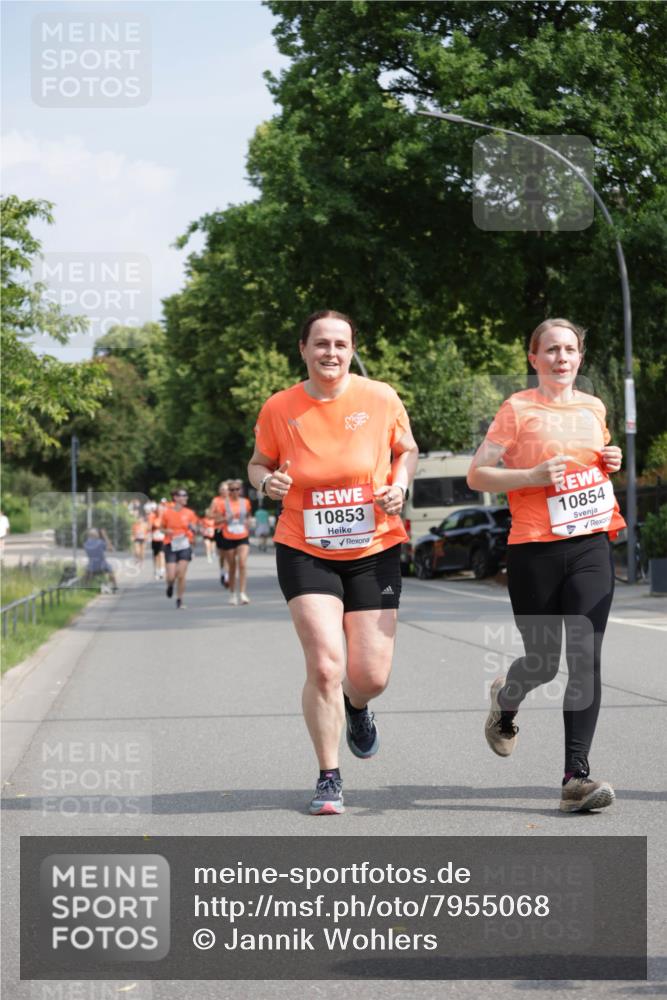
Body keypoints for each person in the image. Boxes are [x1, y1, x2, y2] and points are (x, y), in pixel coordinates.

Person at [248, 309, 418, 815]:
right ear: (303, 348)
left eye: (340, 344)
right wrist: (265, 483)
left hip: (374, 547)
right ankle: (328, 776)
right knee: (325, 664)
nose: (331, 352)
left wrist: (399, 486)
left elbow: (406, 451)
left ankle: (358, 704)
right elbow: (259, 462)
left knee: (370, 676)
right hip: (304, 546)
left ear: (352, 349)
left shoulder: (381, 396)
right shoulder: (280, 407)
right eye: (321, 343)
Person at [467, 318, 625, 813]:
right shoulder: (517, 409)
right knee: (542, 662)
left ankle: (575, 778)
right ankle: (506, 699)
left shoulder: (593, 407)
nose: (561, 358)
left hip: (590, 543)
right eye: (551, 350)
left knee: (586, 656)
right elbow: (477, 475)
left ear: (580, 358)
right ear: (533, 358)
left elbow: (594, 463)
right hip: (534, 547)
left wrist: (611, 459)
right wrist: (530, 474)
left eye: (570, 349)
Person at [157, 488, 199, 609]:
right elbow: (160, 528)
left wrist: (193, 529)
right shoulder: (167, 513)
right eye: (183, 496)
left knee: (181, 574)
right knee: (171, 576)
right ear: (175, 498)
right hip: (170, 545)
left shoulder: (190, 513)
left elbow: (195, 528)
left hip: (185, 545)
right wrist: (167, 531)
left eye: (186, 496)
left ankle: (180, 599)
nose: (185, 498)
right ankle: (170, 585)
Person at [218, 479, 252, 605]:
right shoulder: (223, 503)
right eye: (232, 489)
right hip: (228, 536)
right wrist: (224, 518)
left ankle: (243, 593)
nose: (235, 492)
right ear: (228, 491)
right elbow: (214, 518)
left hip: (243, 535)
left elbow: (248, 515)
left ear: (240, 490)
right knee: (232, 567)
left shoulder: (246, 502)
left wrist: (249, 521)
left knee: (242, 563)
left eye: (237, 489)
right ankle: (232, 594)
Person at [206, 482, 230, 588]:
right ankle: (222, 572)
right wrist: (220, 517)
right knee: (223, 555)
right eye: (223, 489)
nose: (225, 491)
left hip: (232, 530)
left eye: (227, 489)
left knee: (230, 554)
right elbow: (209, 514)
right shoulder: (216, 501)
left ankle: (227, 576)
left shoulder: (233, 500)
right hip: (219, 529)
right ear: (219, 490)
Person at [147, 502, 166, 580]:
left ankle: (162, 570)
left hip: (162, 538)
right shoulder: (152, 517)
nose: (159, 511)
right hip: (155, 538)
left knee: (161, 554)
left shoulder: (164, 517)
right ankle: (156, 570)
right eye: (158, 510)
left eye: (161, 510)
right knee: (156, 556)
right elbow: (149, 527)